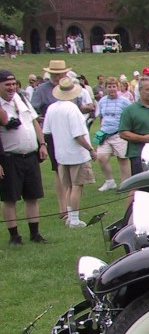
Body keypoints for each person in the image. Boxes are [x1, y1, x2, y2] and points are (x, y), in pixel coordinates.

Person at [0, 69, 48, 244]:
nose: (11, 88)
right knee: (10, 198)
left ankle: (35, 234)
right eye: (7, 85)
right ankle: (14, 236)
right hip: (9, 157)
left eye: (13, 84)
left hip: (30, 156)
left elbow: (34, 121)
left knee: (32, 196)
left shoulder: (21, 99)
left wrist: (42, 144)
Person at [42, 77, 96, 227]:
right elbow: (78, 135)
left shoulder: (52, 108)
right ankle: (74, 219)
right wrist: (91, 150)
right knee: (77, 185)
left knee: (68, 186)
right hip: (76, 154)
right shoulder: (72, 109)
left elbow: (47, 131)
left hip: (61, 153)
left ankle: (68, 214)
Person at [31, 59, 70, 220]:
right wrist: (45, 119)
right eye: (54, 74)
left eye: (60, 74)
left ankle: (72, 206)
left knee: (71, 171)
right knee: (59, 170)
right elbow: (33, 112)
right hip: (53, 135)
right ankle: (63, 209)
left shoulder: (70, 87)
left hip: (69, 133)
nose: (57, 77)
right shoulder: (41, 90)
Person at [94, 77, 133, 190]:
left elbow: (130, 117)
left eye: (114, 86)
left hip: (119, 134)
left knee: (122, 159)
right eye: (109, 87)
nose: (112, 89)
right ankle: (109, 181)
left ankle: (126, 183)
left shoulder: (124, 101)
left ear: (118, 87)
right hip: (105, 134)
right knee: (101, 157)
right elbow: (101, 117)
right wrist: (101, 130)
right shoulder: (102, 101)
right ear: (106, 88)